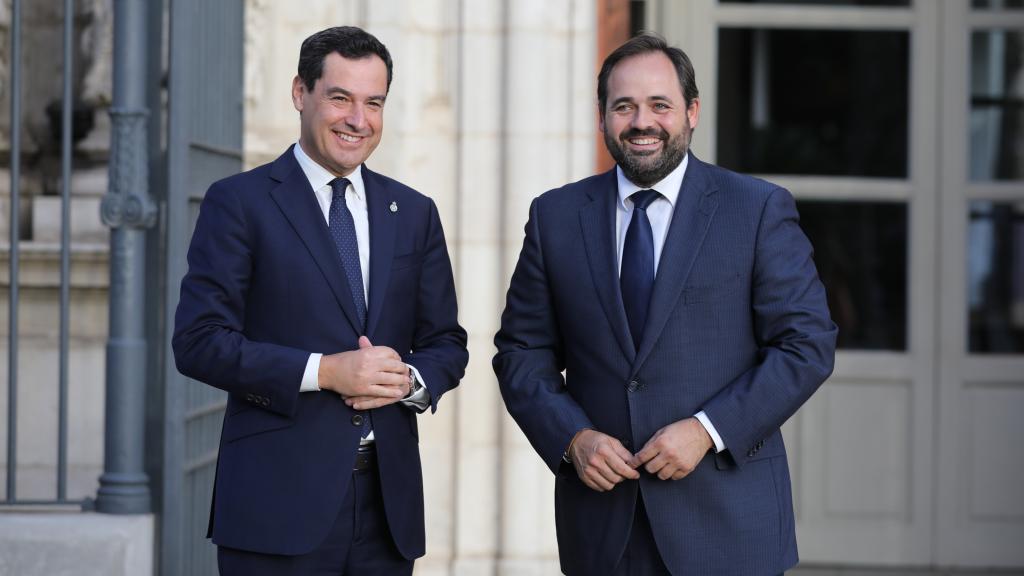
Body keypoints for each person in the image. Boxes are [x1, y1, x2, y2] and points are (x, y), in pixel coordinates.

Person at [493, 33, 837, 576]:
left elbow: (807, 346)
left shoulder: (756, 209)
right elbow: (521, 351)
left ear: (691, 112)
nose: (641, 121)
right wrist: (571, 437)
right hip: (603, 526)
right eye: (623, 105)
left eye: (660, 105)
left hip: (728, 525)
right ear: (602, 115)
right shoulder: (555, 216)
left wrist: (707, 429)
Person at [173, 26, 467, 575]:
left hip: (388, 509)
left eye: (373, 103)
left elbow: (446, 343)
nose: (358, 119)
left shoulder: (414, 212)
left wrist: (408, 380)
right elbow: (198, 342)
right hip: (275, 508)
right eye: (340, 98)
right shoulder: (239, 202)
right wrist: (325, 372)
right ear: (299, 94)